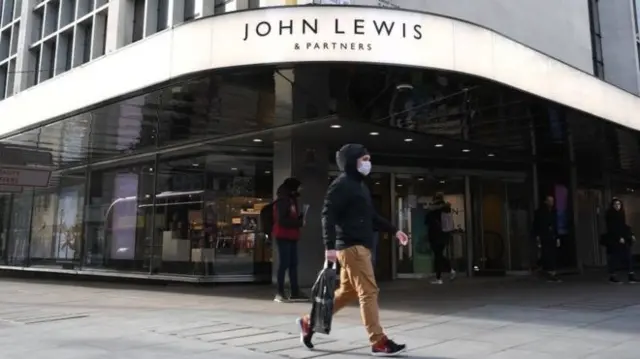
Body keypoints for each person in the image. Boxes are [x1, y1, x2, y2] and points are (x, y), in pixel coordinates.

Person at [296, 144, 409, 356]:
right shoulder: (341, 185)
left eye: (368, 158)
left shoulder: (360, 186)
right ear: (352, 161)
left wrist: (395, 231)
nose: (368, 163)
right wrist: (328, 246)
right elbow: (327, 215)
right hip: (351, 247)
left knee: (347, 293)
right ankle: (378, 341)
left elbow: (372, 217)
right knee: (369, 291)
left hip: (359, 246)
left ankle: (308, 323)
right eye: (364, 159)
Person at [273, 177, 307, 303]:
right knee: (284, 264)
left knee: (293, 264)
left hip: (292, 236)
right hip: (283, 235)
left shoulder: (292, 199)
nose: (301, 189)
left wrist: (299, 219)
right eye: (299, 186)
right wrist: (298, 223)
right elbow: (282, 220)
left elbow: (289, 217)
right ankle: (280, 292)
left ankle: (294, 291)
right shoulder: (284, 200)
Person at [425, 192, 456, 284]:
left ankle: (440, 277)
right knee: (439, 255)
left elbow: (427, 221)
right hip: (444, 235)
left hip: (435, 236)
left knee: (438, 256)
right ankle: (448, 272)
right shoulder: (446, 208)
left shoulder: (433, 210)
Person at [604, 198, 637, 284]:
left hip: (623, 238)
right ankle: (612, 276)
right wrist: (618, 237)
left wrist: (631, 234)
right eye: (615, 204)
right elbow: (611, 227)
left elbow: (623, 226)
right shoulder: (610, 215)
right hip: (614, 240)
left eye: (619, 204)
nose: (617, 206)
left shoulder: (621, 214)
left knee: (628, 256)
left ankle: (631, 275)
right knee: (614, 258)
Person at [532, 195, 561, 283]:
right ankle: (547, 272)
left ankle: (551, 272)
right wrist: (537, 236)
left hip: (552, 235)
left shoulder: (553, 212)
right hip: (544, 235)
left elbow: (555, 225)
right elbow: (536, 225)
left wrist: (557, 237)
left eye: (552, 201)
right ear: (545, 202)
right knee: (546, 253)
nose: (551, 203)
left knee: (552, 253)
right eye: (549, 201)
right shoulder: (540, 213)